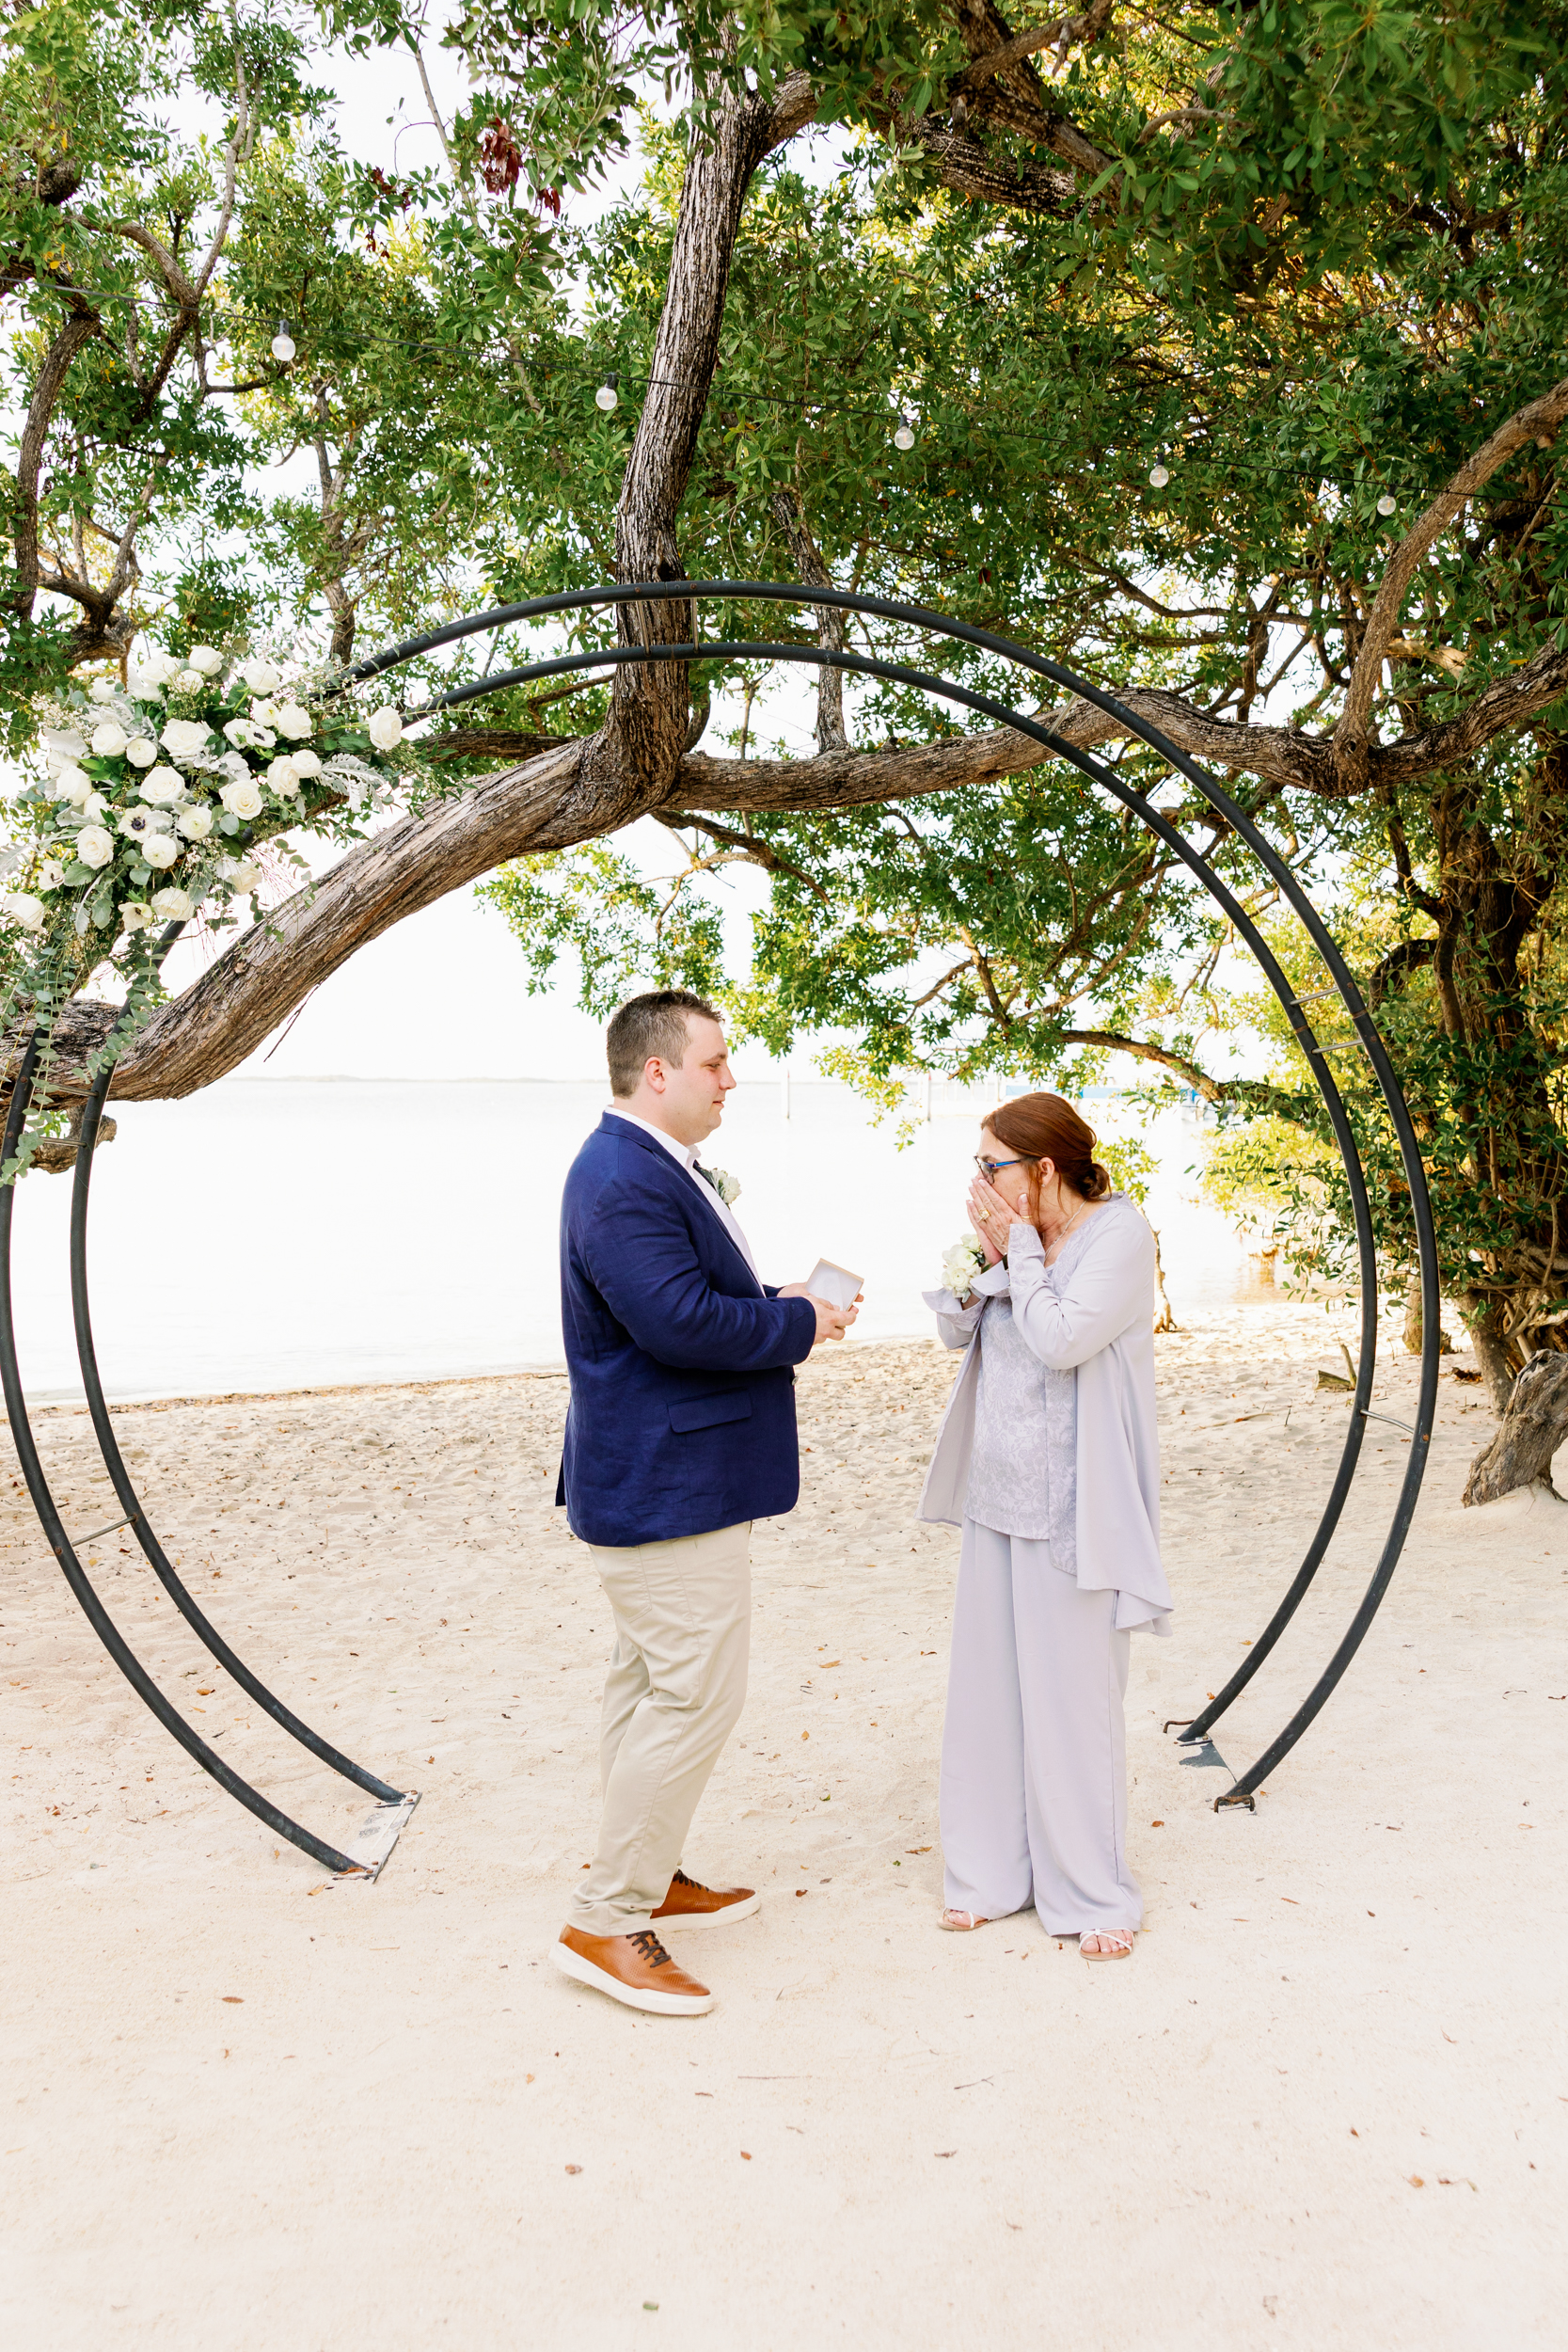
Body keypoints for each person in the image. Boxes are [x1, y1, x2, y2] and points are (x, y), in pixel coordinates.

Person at [553, 988, 857, 2015]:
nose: (730, 1078)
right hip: (661, 1485)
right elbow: (678, 1325)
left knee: (645, 1690)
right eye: (717, 1062)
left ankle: (652, 1870)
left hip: (663, 1479)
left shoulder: (641, 1166)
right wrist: (800, 1323)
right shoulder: (618, 1177)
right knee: (694, 1695)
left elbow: (689, 1296)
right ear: (657, 1073)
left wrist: (779, 1303)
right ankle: (606, 1917)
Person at [919, 1092, 1170, 1961]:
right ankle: (988, 1876)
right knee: (988, 1695)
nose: (979, 1181)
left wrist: (1019, 1250)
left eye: (991, 1165)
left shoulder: (1118, 1236)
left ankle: (1091, 1893)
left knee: (1072, 1702)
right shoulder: (1014, 1238)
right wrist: (980, 1263)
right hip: (997, 1491)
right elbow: (960, 1335)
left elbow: (1060, 1338)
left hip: (1074, 1503)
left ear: (1043, 1169)